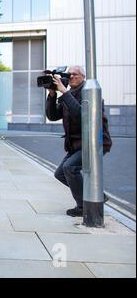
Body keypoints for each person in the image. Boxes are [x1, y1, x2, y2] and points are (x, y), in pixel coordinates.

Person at [46, 66, 112, 217]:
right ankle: (97, 197)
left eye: (74, 74)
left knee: (69, 167)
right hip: (77, 144)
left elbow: (83, 116)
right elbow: (53, 116)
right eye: (69, 75)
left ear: (83, 76)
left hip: (94, 143)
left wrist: (64, 92)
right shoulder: (70, 94)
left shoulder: (89, 93)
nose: (70, 77)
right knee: (60, 173)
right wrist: (51, 94)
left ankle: (83, 207)